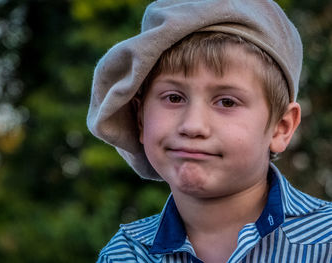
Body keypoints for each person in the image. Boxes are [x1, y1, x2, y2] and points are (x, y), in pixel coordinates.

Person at [87, 0, 332, 262]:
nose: (193, 126)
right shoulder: (125, 254)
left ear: (280, 128)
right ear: (140, 120)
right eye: (173, 98)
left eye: (227, 102)